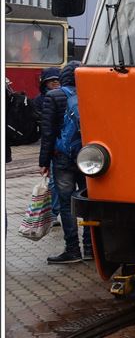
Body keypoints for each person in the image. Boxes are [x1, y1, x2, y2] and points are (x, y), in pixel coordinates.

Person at [38, 61, 89, 264]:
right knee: (88, 202)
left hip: (63, 158)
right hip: (89, 159)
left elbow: (48, 132)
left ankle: (72, 250)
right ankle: (91, 247)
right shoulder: (91, 93)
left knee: (67, 204)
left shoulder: (54, 96)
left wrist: (44, 161)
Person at [31, 67, 62, 223]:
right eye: (52, 81)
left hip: (58, 145)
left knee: (57, 182)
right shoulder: (40, 100)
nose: (55, 83)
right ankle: (54, 213)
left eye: (57, 80)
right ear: (45, 83)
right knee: (54, 182)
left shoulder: (61, 96)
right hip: (52, 144)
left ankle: (55, 212)